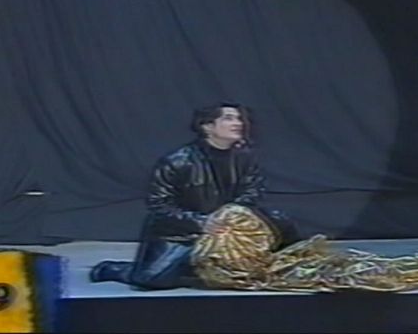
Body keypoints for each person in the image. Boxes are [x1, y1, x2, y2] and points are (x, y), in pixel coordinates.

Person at [89, 102, 300, 290]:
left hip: (230, 226)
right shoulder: (177, 161)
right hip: (182, 232)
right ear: (207, 126)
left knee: (279, 219)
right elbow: (159, 205)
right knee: (152, 279)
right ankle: (119, 269)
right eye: (229, 118)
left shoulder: (244, 158)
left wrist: (231, 214)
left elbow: (253, 190)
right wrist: (202, 222)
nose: (238, 123)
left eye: (239, 118)